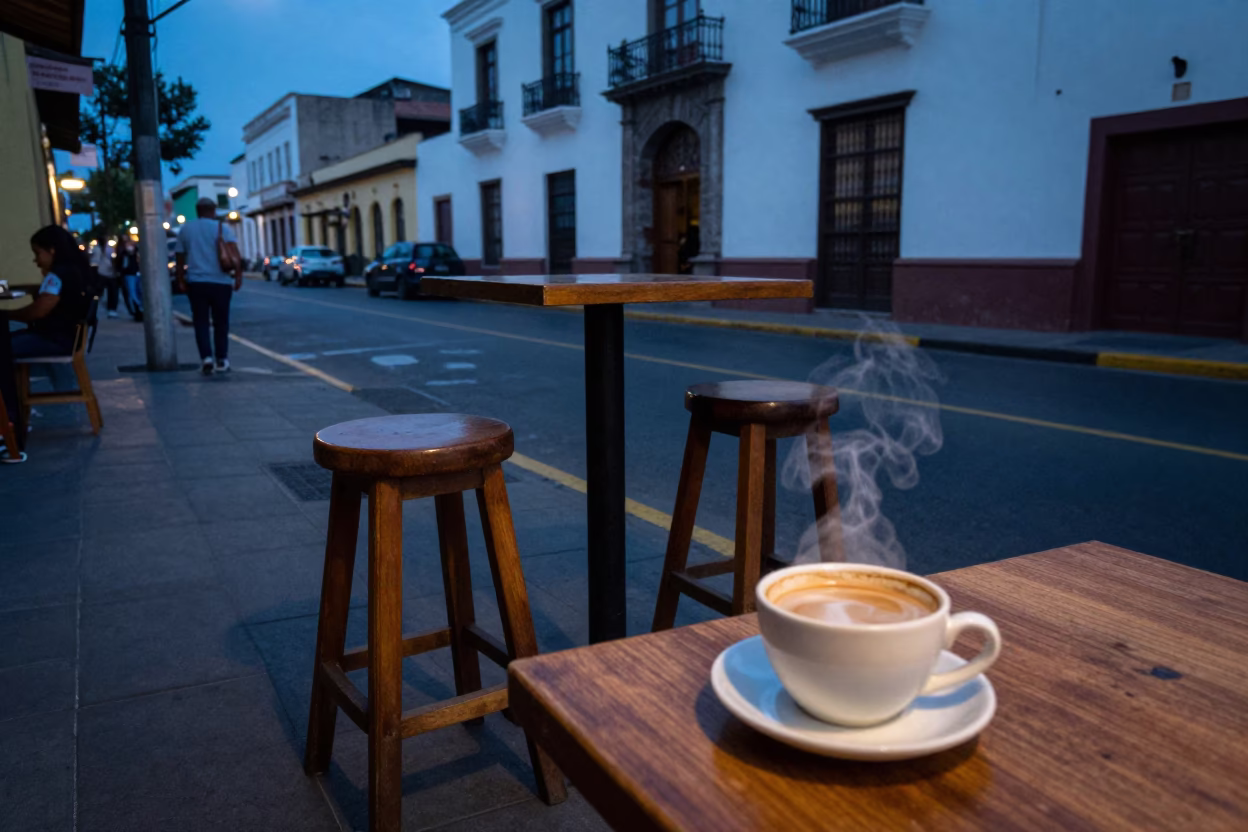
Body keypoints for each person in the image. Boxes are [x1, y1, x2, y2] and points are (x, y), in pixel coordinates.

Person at [10, 226, 94, 390]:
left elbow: (38, 311)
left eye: (37, 253)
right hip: (67, 338)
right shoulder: (76, 271)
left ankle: (10, 407)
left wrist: (7, 314)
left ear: (52, 250)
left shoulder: (57, 276)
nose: (36, 260)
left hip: (55, 339)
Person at [175, 196, 243, 375]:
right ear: (213, 210)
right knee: (221, 322)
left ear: (198, 211)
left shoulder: (186, 229)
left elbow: (180, 258)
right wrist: (238, 277)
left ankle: (206, 357)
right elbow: (235, 255)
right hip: (221, 282)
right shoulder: (222, 228)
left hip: (197, 283)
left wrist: (181, 280)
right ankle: (222, 359)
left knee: (201, 322)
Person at [91, 240, 120, 318]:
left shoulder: (110, 248)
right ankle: (99, 308)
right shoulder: (98, 249)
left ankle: (111, 309)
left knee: (111, 291)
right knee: (100, 292)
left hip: (108, 273)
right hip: (102, 272)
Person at [116, 236, 142, 321]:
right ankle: (136, 310)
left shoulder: (136, 252)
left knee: (139, 292)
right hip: (129, 275)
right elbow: (121, 264)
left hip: (136, 273)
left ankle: (140, 309)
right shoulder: (123, 253)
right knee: (132, 293)